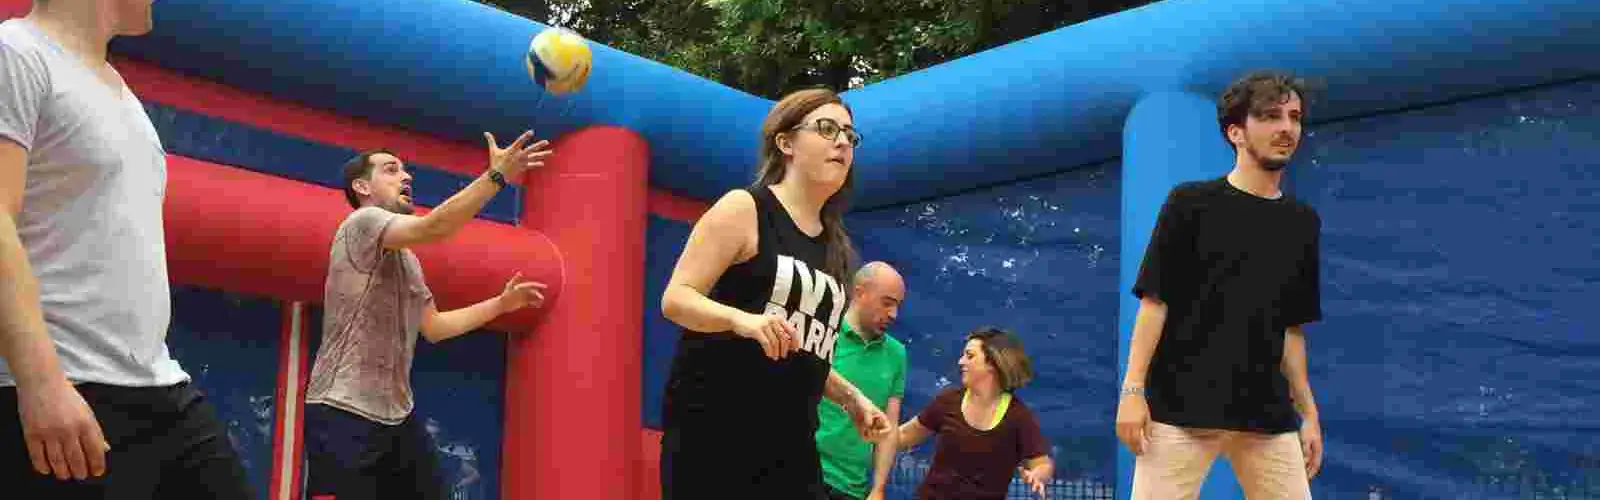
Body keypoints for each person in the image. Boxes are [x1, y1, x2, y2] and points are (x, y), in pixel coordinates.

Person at [0, 0, 255, 497]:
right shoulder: (16, 53)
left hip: (157, 385)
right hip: (67, 388)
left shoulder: (119, 92)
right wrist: (42, 383)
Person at [658, 87, 892, 500]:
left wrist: (851, 398)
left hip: (792, 450)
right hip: (715, 440)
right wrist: (741, 320)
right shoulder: (745, 208)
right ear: (785, 142)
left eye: (850, 135)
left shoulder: (835, 246)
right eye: (826, 128)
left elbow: (804, 349)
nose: (842, 141)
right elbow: (676, 298)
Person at [302, 136, 552, 500]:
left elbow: (434, 327)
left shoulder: (407, 260)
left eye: (405, 170)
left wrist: (500, 305)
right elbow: (434, 226)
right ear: (362, 187)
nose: (405, 176)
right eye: (391, 169)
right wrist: (496, 176)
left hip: (397, 419)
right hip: (342, 412)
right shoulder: (362, 222)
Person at [1115, 70, 1325, 499]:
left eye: (1294, 117)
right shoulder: (1189, 204)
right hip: (1179, 412)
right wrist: (1132, 392)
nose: (1286, 128)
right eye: (1269, 117)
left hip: (1267, 417)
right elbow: (1155, 305)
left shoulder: (1302, 222)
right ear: (1236, 132)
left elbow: (1290, 328)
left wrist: (1309, 413)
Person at [897, 327, 1053, 500]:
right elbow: (904, 435)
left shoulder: (1018, 417)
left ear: (993, 364)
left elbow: (1042, 463)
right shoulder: (947, 401)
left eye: (969, 356)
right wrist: (875, 435)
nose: (960, 362)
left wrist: (1037, 475)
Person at [815, 261, 908, 500]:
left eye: (897, 306)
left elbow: (890, 427)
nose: (893, 314)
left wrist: (878, 488)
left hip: (851, 488)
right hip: (803, 471)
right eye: (887, 303)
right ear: (860, 292)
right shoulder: (823, 330)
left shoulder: (897, 354)